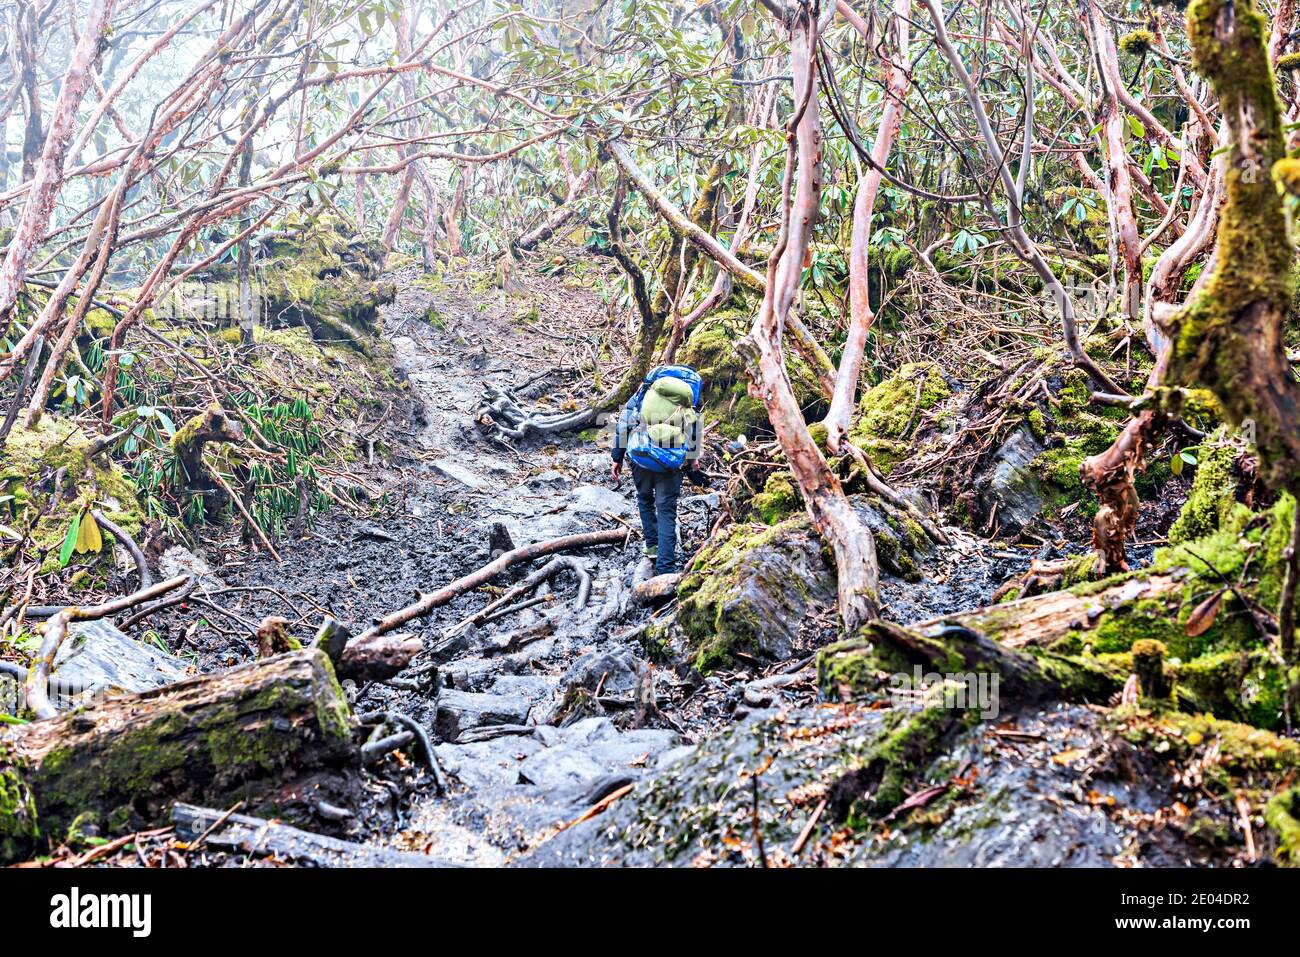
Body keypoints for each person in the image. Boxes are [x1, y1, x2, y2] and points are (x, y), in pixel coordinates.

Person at [610, 366, 707, 576]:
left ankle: (652, 548)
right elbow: (693, 433)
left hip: (641, 457)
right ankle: (666, 568)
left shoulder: (644, 393)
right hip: (670, 464)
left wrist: (617, 457)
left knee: (644, 499)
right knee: (666, 510)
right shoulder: (687, 401)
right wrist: (691, 464)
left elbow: (625, 423)